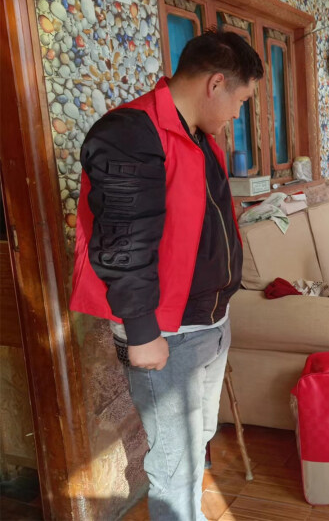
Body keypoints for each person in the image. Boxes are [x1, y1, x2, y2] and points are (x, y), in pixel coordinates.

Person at [70, 30, 264, 519]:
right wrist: (141, 331)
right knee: (175, 461)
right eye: (240, 102)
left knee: (198, 439)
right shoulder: (131, 134)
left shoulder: (197, 135)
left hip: (209, 320)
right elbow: (123, 241)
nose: (236, 115)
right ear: (215, 84)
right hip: (167, 330)